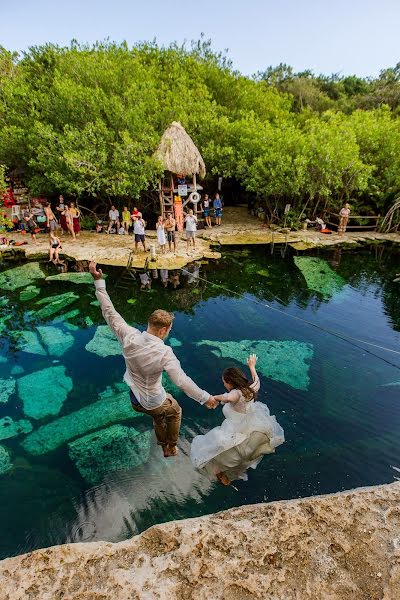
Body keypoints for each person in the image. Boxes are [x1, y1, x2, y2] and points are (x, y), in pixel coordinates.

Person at [88, 261, 217, 457]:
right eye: (169, 330)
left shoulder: (128, 335)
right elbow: (181, 381)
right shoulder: (165, 353)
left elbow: (109, 312)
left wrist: (98, 281)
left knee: (158, 417)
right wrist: (206, 398)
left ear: (149, 323)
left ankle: (161, 442)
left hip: (134, 399)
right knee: (175, 411)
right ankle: (171, 446)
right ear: (164, 330)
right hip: (152, 401)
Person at [190, 354, 285, 486]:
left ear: (230, 382)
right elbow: (257, 380)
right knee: (237, 456)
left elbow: (228, 398)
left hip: (235, 429)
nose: (223, 384)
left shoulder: (235, 394)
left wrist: (212, 398)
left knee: (214, 447)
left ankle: (219, 472)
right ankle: (223, 473)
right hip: (251, 428)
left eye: (224, 382)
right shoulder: (250, 390)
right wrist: (252, 366)